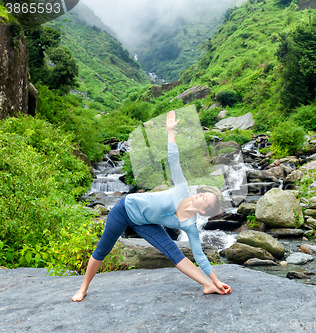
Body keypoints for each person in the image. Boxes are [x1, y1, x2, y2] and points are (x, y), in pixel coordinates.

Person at [72, 110, 231, 302]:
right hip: (125, 210)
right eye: (204, 192)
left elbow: (200, 256)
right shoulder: (183, 188)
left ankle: (207, 285)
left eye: (205, 198)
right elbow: (174, 159)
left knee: (174, 252)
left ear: (203, 210)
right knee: (103, 249)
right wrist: (170, 131)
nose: (201, 194)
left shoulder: (190, 225)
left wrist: (215, 281)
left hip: (146, 224)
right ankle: (83, 287)